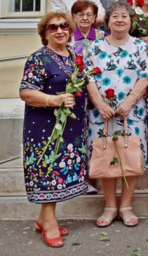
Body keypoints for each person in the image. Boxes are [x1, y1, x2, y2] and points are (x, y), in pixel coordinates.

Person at [20, 13, 88, 248]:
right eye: (53, 27)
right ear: (45, 33)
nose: (59, 30)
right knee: (48, 172)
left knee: (58, 174)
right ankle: (49, 223)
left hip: (70, 128)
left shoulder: (74, 57)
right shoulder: (38, 59)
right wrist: (53, 100)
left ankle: (43, 218)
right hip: (44, 129)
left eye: (63, 26)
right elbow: (26, 93)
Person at [85, 0, 148, 228]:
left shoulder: (140, 47)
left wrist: (131, 100)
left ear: (131, 21)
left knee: (129, 155)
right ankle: (110, 205)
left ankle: (127, 205)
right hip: (101, 113)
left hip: (131, 113)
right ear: (108, 22)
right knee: (106, 155)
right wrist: (100, 104)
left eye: (125, 16)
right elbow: (89, 78)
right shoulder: (95, 47)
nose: (120, 20)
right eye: (115, 16)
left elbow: (145, 76)